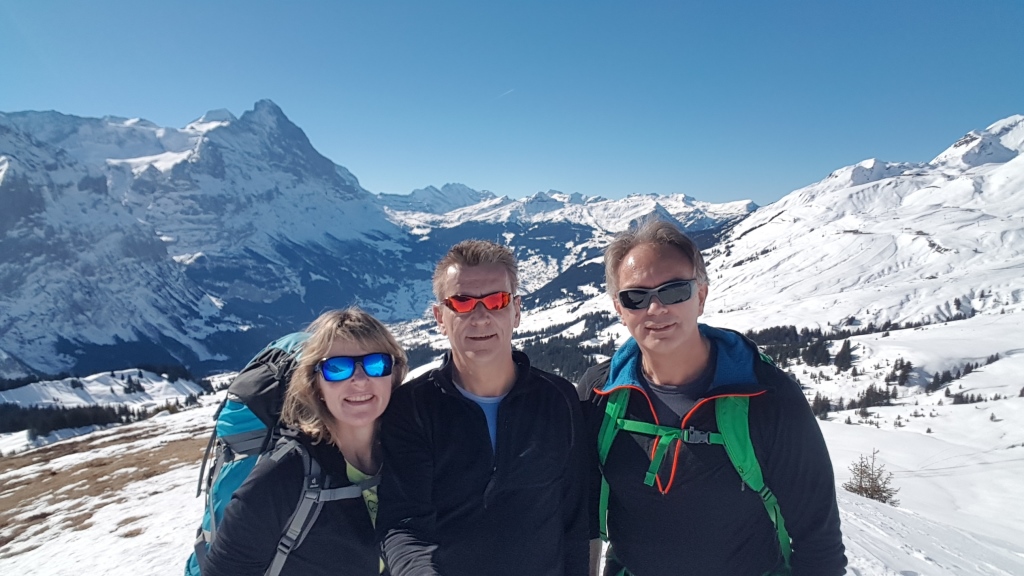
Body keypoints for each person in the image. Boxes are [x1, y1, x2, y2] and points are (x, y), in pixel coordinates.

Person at [578, 219, 846, 576]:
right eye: (635, 297)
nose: (655, 309)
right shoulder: (600, 393)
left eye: (674, 291)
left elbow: (819, 539)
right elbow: (577, 507)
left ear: (700, 296)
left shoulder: (767, 395)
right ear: (619, 308)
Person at [376, 239, 590, 576]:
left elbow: (574, 518)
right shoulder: (412, 408)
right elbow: (403, 523)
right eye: (462, 303)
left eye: (496, 301)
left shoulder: (558, 399)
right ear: (440, 317)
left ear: (516, 311)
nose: (480, 317)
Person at [201, 307, 408, 576]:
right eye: (337, 368)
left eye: (376, 364)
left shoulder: (408, 453)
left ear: (394, 373)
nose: (359, 380)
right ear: (315, 384)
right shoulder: (283, 475)